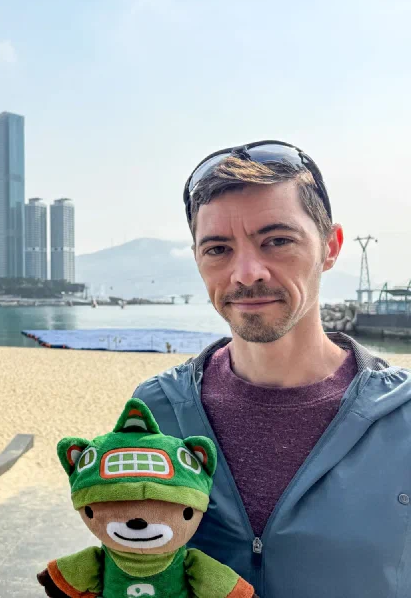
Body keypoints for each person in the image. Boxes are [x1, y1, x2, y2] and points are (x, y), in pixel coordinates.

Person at [131, 140, 411, 597]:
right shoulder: (156, 411)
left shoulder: (402, 417)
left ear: (330, 247)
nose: (246, 272)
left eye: (277, 241)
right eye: (218, 249)